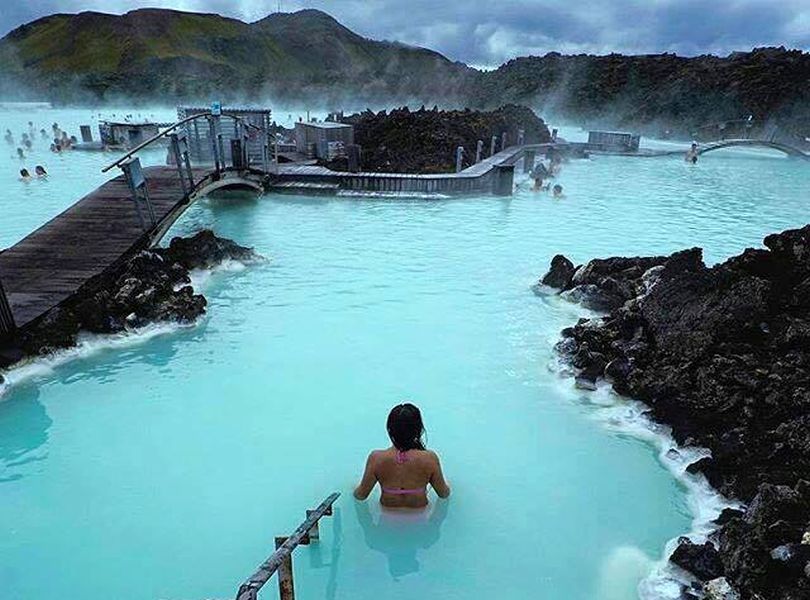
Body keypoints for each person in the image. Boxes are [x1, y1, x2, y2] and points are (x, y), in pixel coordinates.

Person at [354, 403, 451, 508]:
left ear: (390, 429)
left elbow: (361, 496)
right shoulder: (429, 459)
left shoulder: (377, 458)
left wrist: (351, 488)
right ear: (418, 430)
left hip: (387, 516)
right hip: (419, 516)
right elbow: (443, 494)